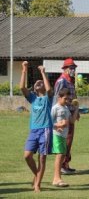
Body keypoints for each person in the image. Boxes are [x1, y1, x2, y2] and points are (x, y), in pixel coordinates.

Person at [19, 61, 53, 192]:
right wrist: (24, 70)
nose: (39, 83)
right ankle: (37, 175)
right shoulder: (32, 98)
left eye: (42, 83)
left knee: (42, 158)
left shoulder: (47, 98)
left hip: (45, 130)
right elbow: (22, 87)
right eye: (37, 83)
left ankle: (37, 184)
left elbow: (49, 89)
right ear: (34, 88)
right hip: (33, 130)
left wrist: (43, 73)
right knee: (27, 155)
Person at [53, 58, 79, 174]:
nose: (73, 70)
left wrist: (76, 111)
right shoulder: (61, 81)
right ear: (65, 69)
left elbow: (72, 98)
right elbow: (58, 99)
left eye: (74, 68)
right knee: (66, 140)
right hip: (64, 114)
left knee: (69, 140)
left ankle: (66, 164)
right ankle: (62, 165)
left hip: (70, 113)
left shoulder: (70, 80)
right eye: (71, 68)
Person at [51, 88, 78, 187]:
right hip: (57, 135)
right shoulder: (55, 108)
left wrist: (76, 109)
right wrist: (58, 126)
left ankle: (57, 178)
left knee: (62, 156)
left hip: (64, 136)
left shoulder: (66, 108)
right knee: (59, 156)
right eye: (65, 99)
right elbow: (49, 122)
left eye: (68, 99)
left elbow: (71, 121)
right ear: (59, 98)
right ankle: (57, 178)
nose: (67, 101)